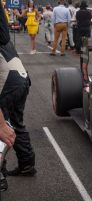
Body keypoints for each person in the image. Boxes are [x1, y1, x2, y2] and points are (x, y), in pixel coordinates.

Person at [0, 2, 36, 176]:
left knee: (3, 124)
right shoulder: (3, 37)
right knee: (16, 123)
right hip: (21, 77)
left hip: (9, 81)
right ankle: (27, 163)